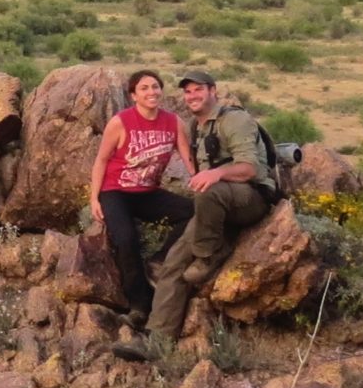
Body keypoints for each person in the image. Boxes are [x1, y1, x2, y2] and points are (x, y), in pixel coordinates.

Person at [120, 69, 275, 358]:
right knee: (174, 262)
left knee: (207, 191)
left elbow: (250, 169)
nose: (192, 96)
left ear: (213, 91)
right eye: (187, 91)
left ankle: (208, 255)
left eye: (198, 89)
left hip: (250, 198)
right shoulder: (197, 128)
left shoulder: (234, 119)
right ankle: (158, 342)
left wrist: (215, 174)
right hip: (215, 207)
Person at [86, 69, 194, 328]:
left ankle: (158, 261)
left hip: (147, 192)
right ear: (133, 95)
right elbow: (101, 160)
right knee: (126, 239)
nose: (151, 92)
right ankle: (139, 306)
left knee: (194, 211)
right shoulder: (121, 122)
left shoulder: (173, 122)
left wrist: (199, 178)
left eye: (155, 87)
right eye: (144, 88)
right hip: (116, 192)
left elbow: (188, 156)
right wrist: (94, 198)